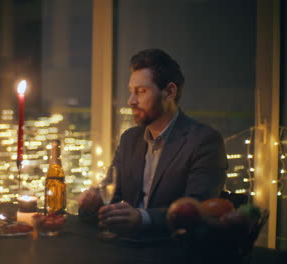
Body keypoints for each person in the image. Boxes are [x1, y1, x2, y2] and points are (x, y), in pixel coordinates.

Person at [79, 49, 227, 234]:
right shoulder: (130, 139)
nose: (131, 100)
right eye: (131, 91)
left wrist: (143, 218)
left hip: (173, 250)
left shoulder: (203, 141)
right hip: (127, 245)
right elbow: (111, 193)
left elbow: (198, 210)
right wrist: (93, 201)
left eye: (141, 91)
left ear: (170, 92)